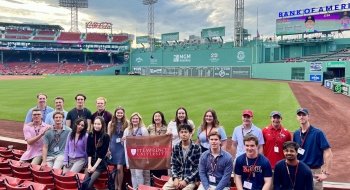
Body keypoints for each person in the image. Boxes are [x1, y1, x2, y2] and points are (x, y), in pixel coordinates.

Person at [293, 108, 333, 190]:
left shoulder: (318, 133)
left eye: (304, 115)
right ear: (297, 118)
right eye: (299, 115)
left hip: (315, 171)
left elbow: (328, 152)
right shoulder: (296, 134)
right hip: (299, 170)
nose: (301, 117)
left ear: (308, 117)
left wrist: (326, 173)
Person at [163, 124, 201, 190]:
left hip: (190, 179)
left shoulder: (197, 148)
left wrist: (186, 180)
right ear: (179, 134)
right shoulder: (176, 147)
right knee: (164, 188)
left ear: (190, 133)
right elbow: (173, 164)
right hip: (178, 177)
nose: (184, 134)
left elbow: (197, 168)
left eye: (186, 132)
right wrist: (175, 178)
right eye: (182, 132)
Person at [123, 112, 149, 189]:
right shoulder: (127, 130)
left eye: (136, 118)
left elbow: (147, 143)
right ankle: (135, 188)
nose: (135, 120)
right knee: (133, 174)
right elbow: (124, 142)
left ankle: (140, 188)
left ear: (139, 120)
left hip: (140, 156)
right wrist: (123, 139)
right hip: (131, 156)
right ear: (131, 120)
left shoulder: (143, 130)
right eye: (133, 119)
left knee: (139, 174)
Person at [85, 116, 110, 190]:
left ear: (102, 125)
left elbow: (102, 154)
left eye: (98, 124)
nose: (96, 126)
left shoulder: (106, 136)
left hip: (100, 163)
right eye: (95, 124)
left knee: (89, 184)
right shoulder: (91, 134)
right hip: (91, 161)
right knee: (84, 183)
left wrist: (94, 167)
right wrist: (89, 165)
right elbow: (89, 151)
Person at [107, 106, 128, 190]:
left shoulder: (127, 122)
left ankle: (119, 187)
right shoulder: (111, 123)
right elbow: (108, 136)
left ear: (123, 114)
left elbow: (129, 134)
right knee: (116, 167)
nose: (119, 114)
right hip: (113, 146)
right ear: (115, 113)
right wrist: (108, 148)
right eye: (118, 113)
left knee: (120, 167)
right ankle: (116, 186)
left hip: (122, 146)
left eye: (121, 113)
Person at [147, 111, 168, 177]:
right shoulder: (150, 127)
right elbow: (144, 137)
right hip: (152, 154)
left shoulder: (166, 128)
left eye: (159, 116)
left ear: (162, 118)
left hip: (162, 155)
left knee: (162, 172)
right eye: (155, 116)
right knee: (153, 172)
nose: (157, 118)